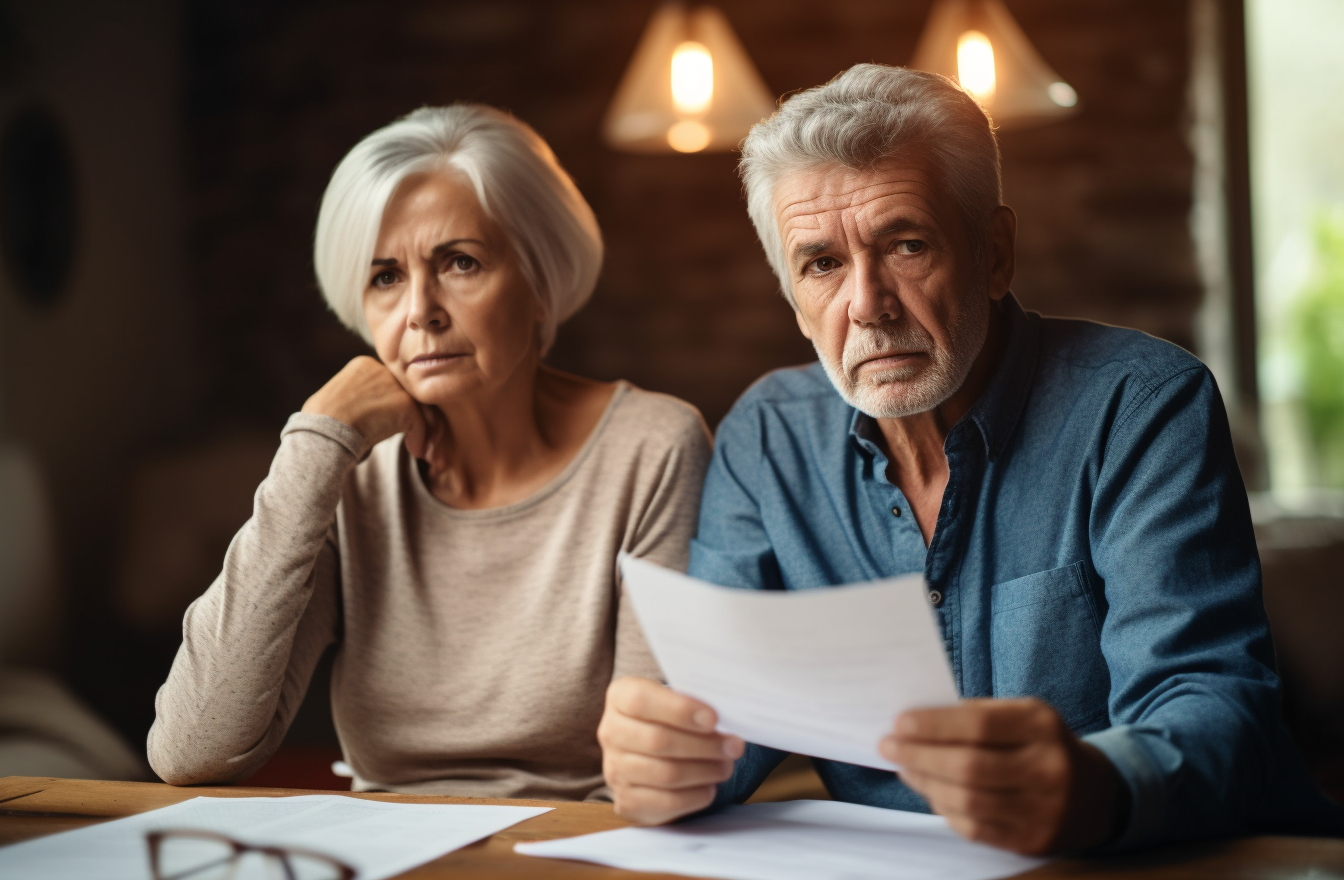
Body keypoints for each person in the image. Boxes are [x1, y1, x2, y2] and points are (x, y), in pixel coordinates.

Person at [597, 63, 1343, 852]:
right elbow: (730, 720)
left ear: (994, 254)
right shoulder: (766, 439)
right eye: (821, 264)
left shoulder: (1142, 405)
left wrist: (1093, 786)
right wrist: (674, 760)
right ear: (793, 297)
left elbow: (1215, 706)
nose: (869, 305)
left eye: (907, 244)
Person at [149, 105, 710, 800]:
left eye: (460, 263)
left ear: (539, 283)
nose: (420, 311)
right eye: (385, 277)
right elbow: (191, 750)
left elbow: (650, 767)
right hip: (383, 853)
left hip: (575, 851)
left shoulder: (652, 447)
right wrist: (316, 442)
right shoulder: (343, 473)